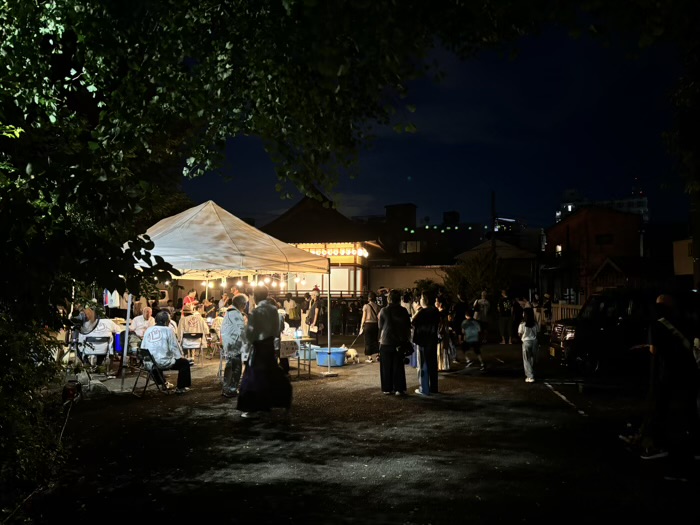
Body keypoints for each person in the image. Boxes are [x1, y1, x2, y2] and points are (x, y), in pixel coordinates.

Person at [636, 294, 699, 464]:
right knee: (690, 409)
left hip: (667, 372)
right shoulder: (683, 320)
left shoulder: (656, 324)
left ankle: (656, 445)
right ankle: (694, 446)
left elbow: (653, 351)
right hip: (688, 370)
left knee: (661, 407)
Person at [237, 285, 292, 419]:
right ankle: (282, 400)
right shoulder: (274, 310)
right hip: (270, 345)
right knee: (272, 373)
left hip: (259, 347)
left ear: (255, 296)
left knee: (252, 377)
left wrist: (244, 343)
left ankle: (251, 408)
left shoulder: (257, 311)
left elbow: (250, 332)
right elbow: (277, 328)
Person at [140, 311, 192, 394]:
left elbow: (143, 346)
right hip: (162, 362)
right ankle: (181, 388)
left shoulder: (148, 330)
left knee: (156, 359)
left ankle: (162, 383)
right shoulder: (168, 330)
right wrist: (180, 357)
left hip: (149, 362)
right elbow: (174, 347)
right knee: (184, 363)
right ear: (166, 321)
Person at [378, 289, 411, 396]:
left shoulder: (384, 310)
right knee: (398, 366)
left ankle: (387, 388)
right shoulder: (404, 311)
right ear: (399, 299)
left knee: (386, 366)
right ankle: (399, 388)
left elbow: (380, 326)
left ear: (389, 299)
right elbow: (407, 326)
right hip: (400, 341)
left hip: (386, 341)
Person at [411, 290, 440, 395]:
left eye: (422, 298)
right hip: (432, 340)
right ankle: (434, 388)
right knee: (432, 364)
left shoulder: (422, 312)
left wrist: (417, 310)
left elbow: (413, 322)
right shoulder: (435, 310)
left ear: (426, 299)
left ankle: (424, 388)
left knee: (423, 365)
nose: (420, 300)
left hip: (422, 341)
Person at [220, 294, 248, 398]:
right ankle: (231, 389)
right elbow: (241, 331)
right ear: (242, 304)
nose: (245, 306)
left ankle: (226, 388)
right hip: (234, 344)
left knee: (230, 367)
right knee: (235, 368)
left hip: (229, 343)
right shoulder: (235, 314)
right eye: (245, 304)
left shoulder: (229, 312)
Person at [517, 307, 539, 383]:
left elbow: (520, 334)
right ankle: (533, 373)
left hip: (526, 342)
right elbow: (538, 332)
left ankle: (530, 376)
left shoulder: (522, 324)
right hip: (534, 341)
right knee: (533, 358)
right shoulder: (535, 324)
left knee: (527, 359)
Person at [360, 291, 381, 363]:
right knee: (375, 340)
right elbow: (379, 317)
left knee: (368, 341)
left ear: (369, 298)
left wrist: (361, 327)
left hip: (368, 324)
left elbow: (363, 317)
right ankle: (378, 355)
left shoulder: (365, 306)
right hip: (375, 325)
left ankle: (370, 358)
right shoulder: (377, 306)